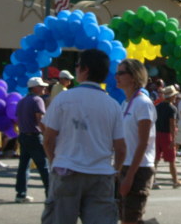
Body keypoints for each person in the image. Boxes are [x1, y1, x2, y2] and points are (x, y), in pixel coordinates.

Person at [41, 49, 126, 224]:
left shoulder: (64, 99)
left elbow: (48, 139)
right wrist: (115, 171)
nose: (76, 69)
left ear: (85, 69)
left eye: (77, 66)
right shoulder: (113, 105)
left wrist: (54, 161)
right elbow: (120, 148)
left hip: (67, 170)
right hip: (101, 174)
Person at [116, 59, 157, 224]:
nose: (116, 76)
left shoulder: (143, 103)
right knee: (124, 217)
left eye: (121, 73)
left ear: (133, 77)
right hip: (124, 166)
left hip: (139, 168)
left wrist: (129, 177)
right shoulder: (125, 103)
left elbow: (143, 142)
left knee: (130, 219)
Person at [14, 77, 50, 203]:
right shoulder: (37, 100)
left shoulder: (22, 100)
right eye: (41, 86)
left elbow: (18, 119)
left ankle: (20, 194)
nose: (44, 88)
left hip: (23, 135)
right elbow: (40, 119)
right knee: (44, 166)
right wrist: (47, 135)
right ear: (34, 88)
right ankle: (50, 194)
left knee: (23, 166)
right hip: (34, 136)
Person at [154, 85, 181, 188]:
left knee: (155, 160)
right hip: (167, 135)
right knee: (172, 160)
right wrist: (173, 138)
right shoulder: (172, 108)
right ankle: (175, 181)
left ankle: (152, 180)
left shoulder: (157, 106)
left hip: (157, 134)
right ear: (172, 96)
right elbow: (172, 124)